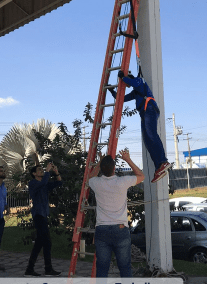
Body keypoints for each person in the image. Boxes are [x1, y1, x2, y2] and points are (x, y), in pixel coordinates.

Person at [107, 70, 173, 183]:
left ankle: (163, 161)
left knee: (151, 135)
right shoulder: (136, 91)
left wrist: (123, 77)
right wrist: (112, 91)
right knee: (147, 141)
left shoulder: (140, 81)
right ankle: (159, 166)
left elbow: (135, 83)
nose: (126, 85)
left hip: (150, 110)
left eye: (126, 83)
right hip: (145, 113)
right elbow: (122, 98)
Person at [89, 149, 144, 278]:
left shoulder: (96, 183)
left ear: (101, 169)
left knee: (102, 268)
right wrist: (127, 159)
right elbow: (141, 176)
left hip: (101, 230)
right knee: (125, 268)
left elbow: (90, 177)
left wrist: (99, 162)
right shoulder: (122, 182)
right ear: (114, 168)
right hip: (120, 229)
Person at [24, 163, 63, 277]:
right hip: (38, 215)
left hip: (43, 215)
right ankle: (47, 269)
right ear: (34, 174)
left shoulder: (43, 183)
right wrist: (47, 171)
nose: (42, 171)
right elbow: (44, 182)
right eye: (39, 170)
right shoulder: (33, 183)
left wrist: (56, 173)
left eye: (42, 170)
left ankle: (30, 269)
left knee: (40, 243)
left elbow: (59, 182)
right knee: (47, 242)